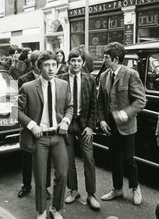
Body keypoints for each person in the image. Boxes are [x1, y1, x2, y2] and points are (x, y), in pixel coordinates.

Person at [17, 50, 73, 219]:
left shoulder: (64, 85)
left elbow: (70, 107)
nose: (51, 68)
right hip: (39, 137)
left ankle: (55, 209)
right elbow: (15, 110)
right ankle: (41, 211)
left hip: (57, 136)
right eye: (47, 65)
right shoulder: (28, 87)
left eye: (54, 65)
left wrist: (66, 120)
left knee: (63, 174)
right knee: (41, 178)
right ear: (39, 67)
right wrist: (32, 125)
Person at [97, 42, 146, 206]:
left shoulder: (131, 74)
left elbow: (140, 101)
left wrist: (125, 114)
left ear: (116, 59)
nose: (104, 60)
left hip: (126, 126)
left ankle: (135, 188)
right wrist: (102, 120)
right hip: (110, 124)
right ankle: (117, 189)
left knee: (129, 159)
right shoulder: (104, 75)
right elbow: (100, 102)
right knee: (114, 158)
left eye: (106, 57)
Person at [58, 48, 100, 210]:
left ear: (83, 63)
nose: (76, 64)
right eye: (73, 60)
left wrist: (91, 126)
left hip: (84, 126)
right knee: (68, 160)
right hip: (67, 125)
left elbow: (94, 106)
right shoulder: (60, 80)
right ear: (68, 62)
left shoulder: (90, 79)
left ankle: (91, 194)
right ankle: (73, 190)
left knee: (89, 159)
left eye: (78, 61)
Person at [16, 50, 52, 199]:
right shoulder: (23, 80)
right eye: (39, 63)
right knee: (27, 158)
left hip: (46, 127)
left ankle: (45, 187)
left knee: (46, 159)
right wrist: (30, 124)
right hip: (29, 126)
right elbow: (18, 108)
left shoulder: (50, 78)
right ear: (33, 64)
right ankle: (26, 185)